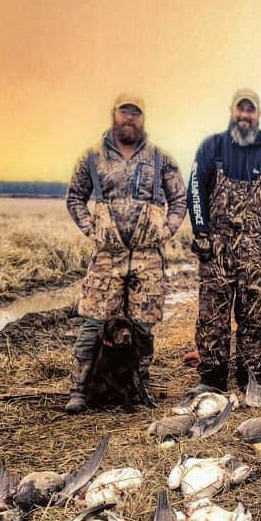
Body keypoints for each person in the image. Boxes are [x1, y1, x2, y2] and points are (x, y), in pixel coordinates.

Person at [62, 93, 187, 413]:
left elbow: (180, 200)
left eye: (136, 113)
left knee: (143, 327)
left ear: (143, 118)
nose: (129, 118)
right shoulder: (92, 157)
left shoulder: (161, 159)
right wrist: (92, 229)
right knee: (94, 322)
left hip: (147, 258)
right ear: (113, 114)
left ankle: (138, 385)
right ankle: (80, 388)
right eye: (124, 112)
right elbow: (75, 196)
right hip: (107, 258)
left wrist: (166, 230)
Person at [185, 88, 261, 392]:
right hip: (216, 249)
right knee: (212, 318)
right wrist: (201, 233)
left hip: (257, 251)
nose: (245, 116)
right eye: (240, 110)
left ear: (258, 115)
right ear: (231, 110)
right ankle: (212, 380)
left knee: (255, 320)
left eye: (251, 111)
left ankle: (251, 380)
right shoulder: (212, 148)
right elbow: (195, 191)